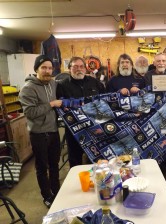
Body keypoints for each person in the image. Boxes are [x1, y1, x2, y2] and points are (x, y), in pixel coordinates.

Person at [19, 55, 62, 208]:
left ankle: (57, 191)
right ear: (36, 69)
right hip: (38, 134)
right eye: (43, 67)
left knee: (54, 165)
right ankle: (47, 196)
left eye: (50, 68)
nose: (47, 71)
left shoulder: (53, 83)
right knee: (42, 167)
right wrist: (51, 104)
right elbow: (30, 112)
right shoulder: (28, 89)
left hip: (53, 131)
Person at [56, 56, 105, 167]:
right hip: (74, 130)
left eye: (81, 66)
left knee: (97, 160)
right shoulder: (62, 85)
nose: (79, 69)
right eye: (75, 67)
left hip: (94, 128)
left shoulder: (95, 83)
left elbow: (104, 101)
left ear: (85, 68)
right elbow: (59, 106)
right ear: (69, 69)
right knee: (75, 161)